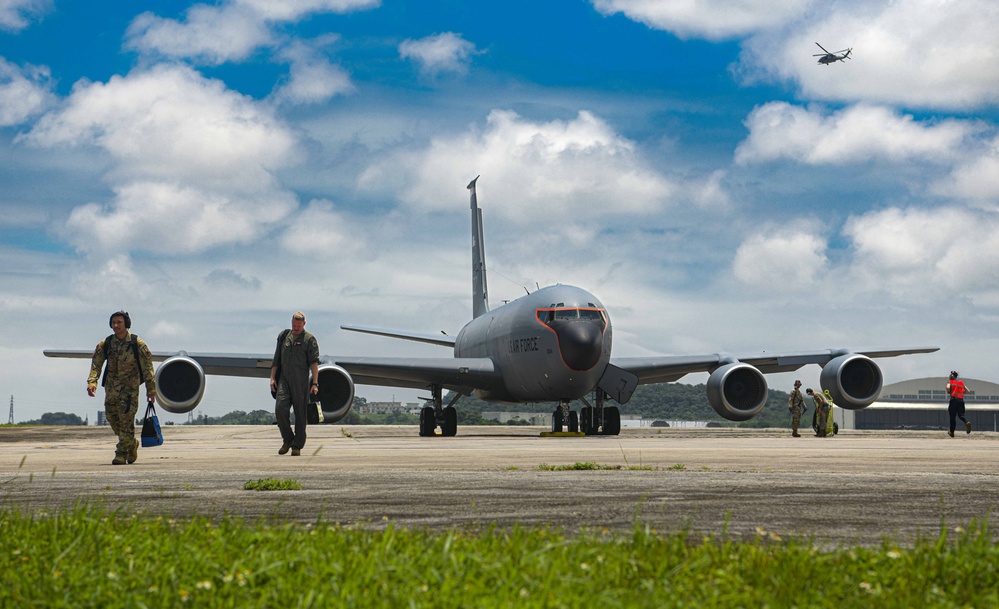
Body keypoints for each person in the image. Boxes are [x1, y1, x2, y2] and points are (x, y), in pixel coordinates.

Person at [87, 311, 157, 465]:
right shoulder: (106, 344)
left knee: (126, 421)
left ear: (126, 324)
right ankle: (132, 443)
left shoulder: (137, 344)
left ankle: (121, 453)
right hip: (111, 389)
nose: (116, 325)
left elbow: (148, 368)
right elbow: (96, 364)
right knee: (112, 419)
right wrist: (92, 382)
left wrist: (151, 390)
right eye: (113, 322)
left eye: (119, 322)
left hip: (130, 390)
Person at [270, 311, 320, 456]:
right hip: (284, 380)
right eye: (294, 325)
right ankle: (288, 439)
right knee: (280, 408)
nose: (296, 327)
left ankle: (297, 445)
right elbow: (276, 360)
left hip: (301, 381)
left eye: (298, 325)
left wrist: (315, 383)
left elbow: (314, 363)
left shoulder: (309, 340)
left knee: (300, 414)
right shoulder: (284, 337)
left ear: (304, 324)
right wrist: (272, 378)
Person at [946, 371, 971, 437]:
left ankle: (952, 432)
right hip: (961, 401)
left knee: (952, 417)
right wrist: (961, 393)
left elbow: (948, 388)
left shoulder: (950, 382)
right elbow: (968, 391)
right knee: (961, 415)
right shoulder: (961, 383)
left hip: (953, 400)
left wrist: (949, 391)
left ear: (951, 376)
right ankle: (966, 422)